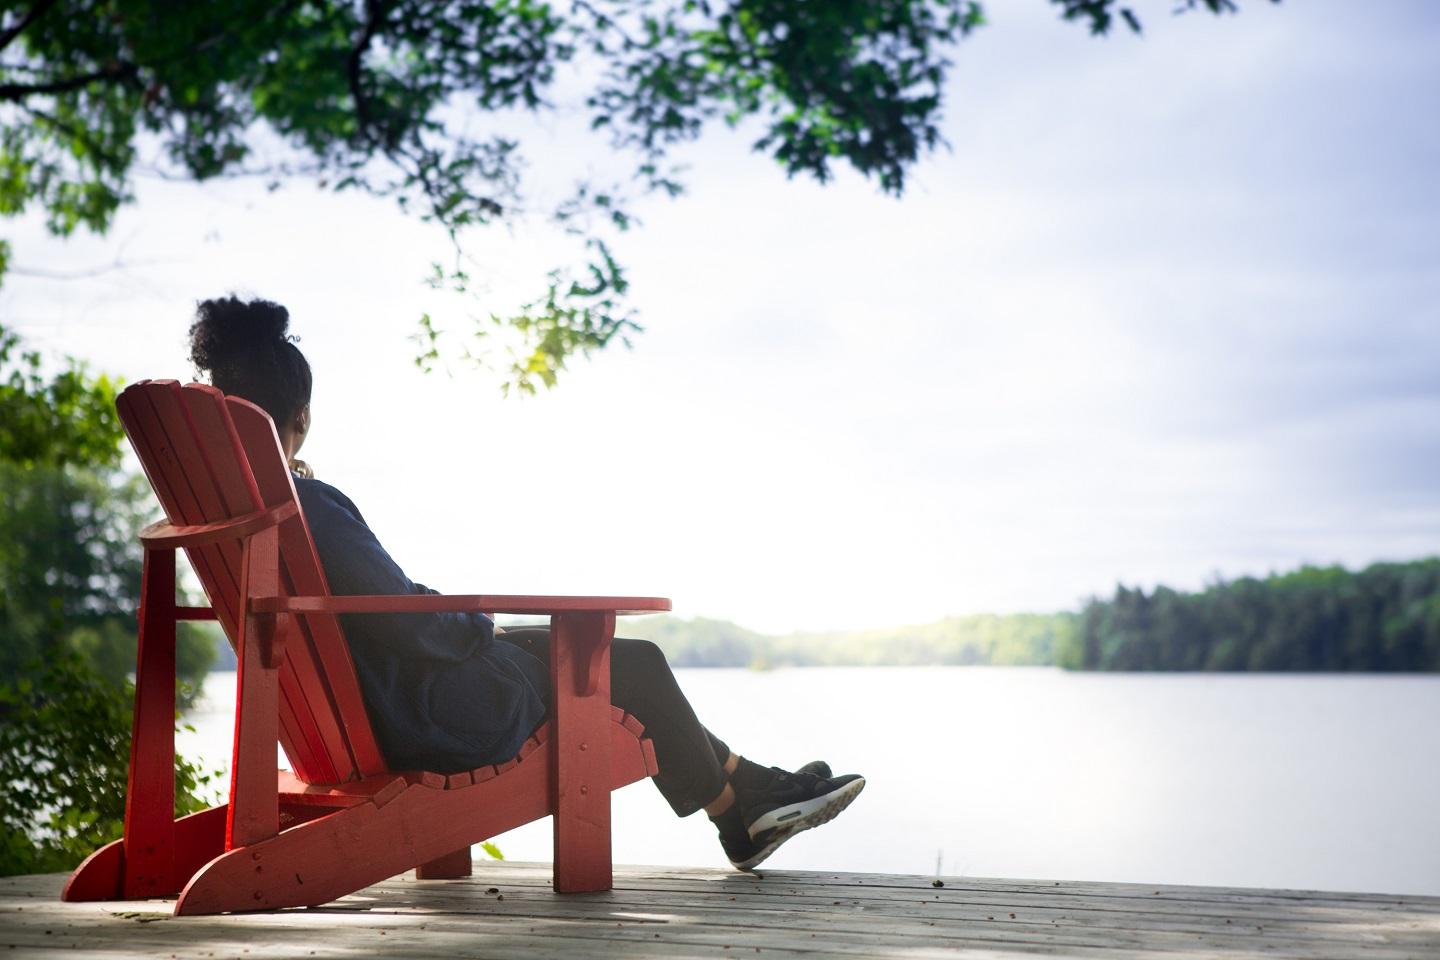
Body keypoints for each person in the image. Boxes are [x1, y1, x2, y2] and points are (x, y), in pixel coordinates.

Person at [187, 295, 864, 871]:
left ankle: (745, 801)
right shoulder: (306, 507)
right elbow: (406, 620)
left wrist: (463, 625)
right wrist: (475, 624)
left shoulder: (232, 512)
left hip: (370, 704)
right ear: (299, 417)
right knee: (620, 663)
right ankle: (742, 809)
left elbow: (377, 612)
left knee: (629, 661)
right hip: (431, 711)